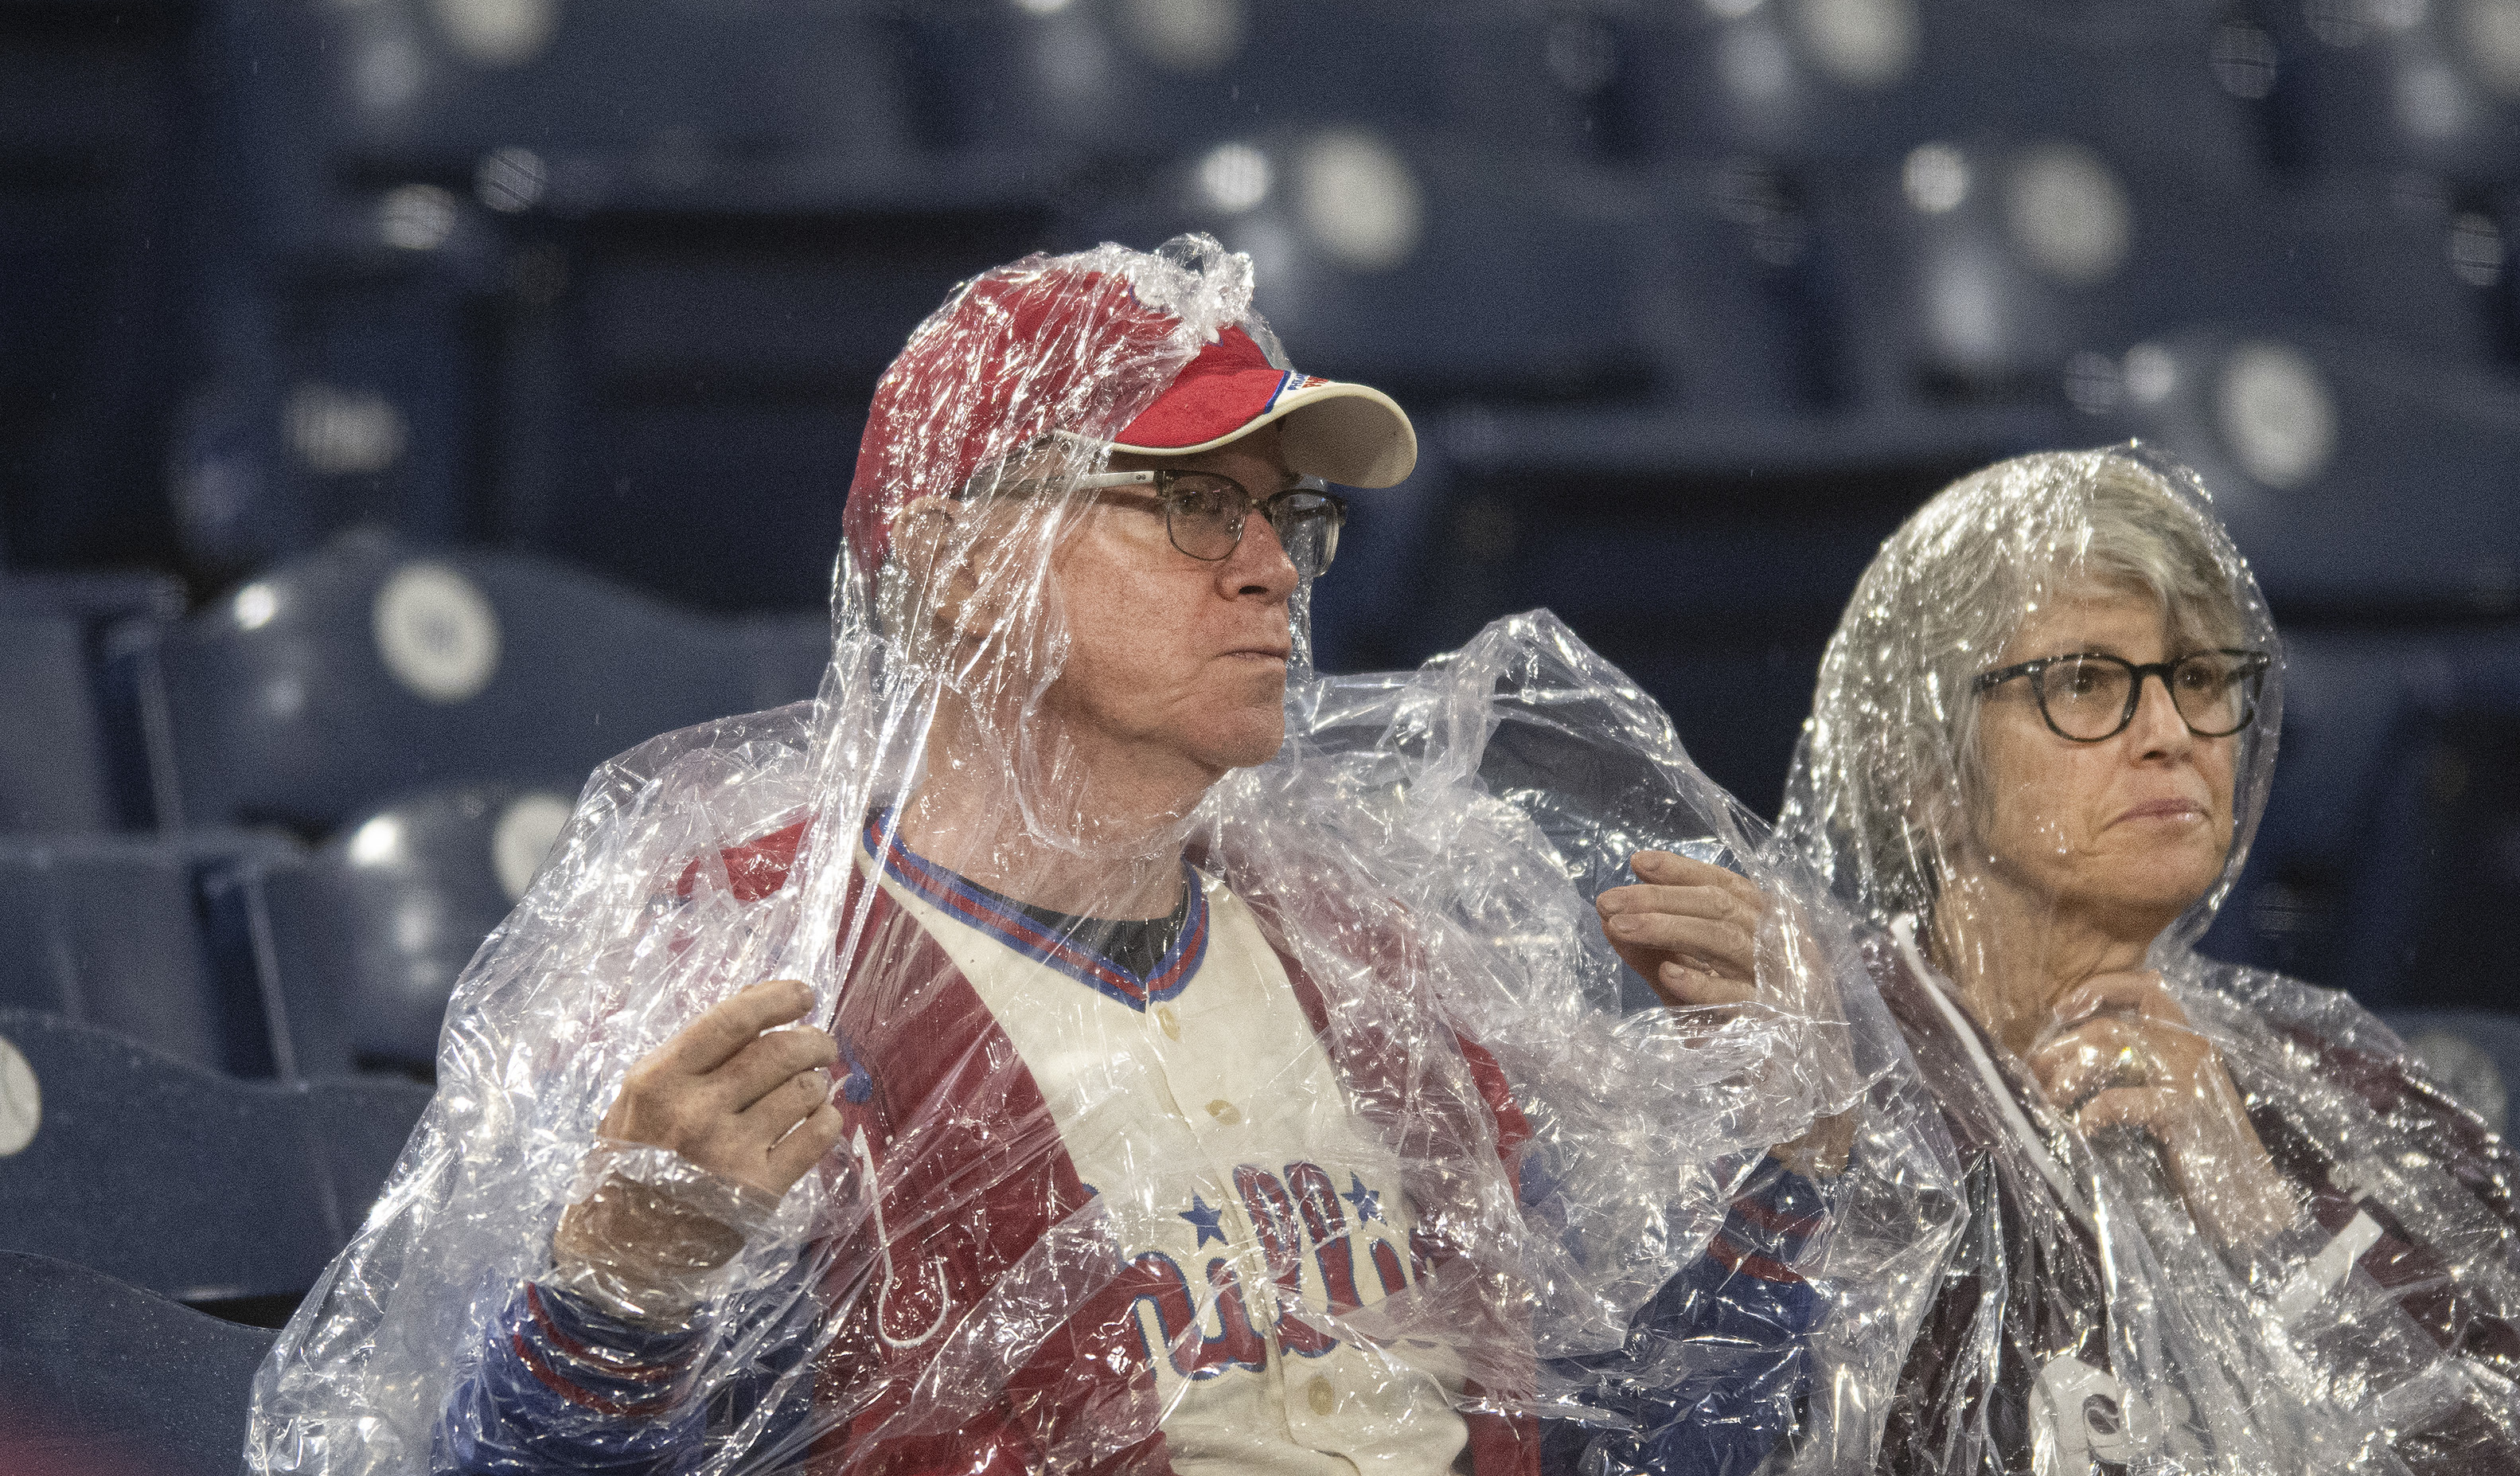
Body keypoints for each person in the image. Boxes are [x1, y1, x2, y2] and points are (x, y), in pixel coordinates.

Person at [253, 239, 1898, 1476]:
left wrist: (1786, 1165)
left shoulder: (1374, 960)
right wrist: (617, 1294)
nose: (1273, 570)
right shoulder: (753, 973)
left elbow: (1640, 1447)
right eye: (1195, 504)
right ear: (966, 562)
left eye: (1291, 518)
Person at [1778, 447, 2520, 1476]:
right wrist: (1818, 1177)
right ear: (1924, 766)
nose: (2170, 732)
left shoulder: (2345, 1104)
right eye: (2088, 683)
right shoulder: (1816, 1074)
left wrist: (2269, 1237)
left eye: (2198, 678)